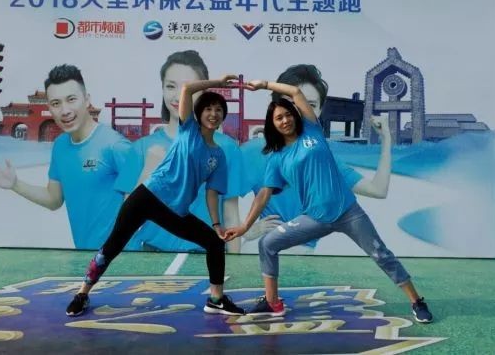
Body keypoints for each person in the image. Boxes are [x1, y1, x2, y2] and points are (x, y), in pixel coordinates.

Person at [225, 77, 434, 323]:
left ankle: (416, 300)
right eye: (278, 118)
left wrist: (264, 85)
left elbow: (295, 92)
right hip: (314, 218)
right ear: (272, 124)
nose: (285, 120)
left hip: (348, 212)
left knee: (381, 254)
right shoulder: (276, 157)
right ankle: (272, 302)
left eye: (288, 114)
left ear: (295, 115)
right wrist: (245, 226)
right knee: (267, 243)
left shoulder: (312, 130)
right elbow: (263, 195)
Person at [65, 75, 245, 317]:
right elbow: (187, 88)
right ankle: (82, 293)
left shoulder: (219, 155)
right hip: (147, 197)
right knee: (113, 245)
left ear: (223, 116)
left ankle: (216, 299)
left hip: (175, 210)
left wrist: (216, 225)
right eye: (208, 109)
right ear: (199, 113)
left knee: (214, 243)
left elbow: (212, 193)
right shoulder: (188, 130)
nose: (213, 114)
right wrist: (218, 83)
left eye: (219, 110)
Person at [0, 64, 138, 249]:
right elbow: (53, 200)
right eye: (56, 103)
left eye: (71, 99)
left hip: (123, 258)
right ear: (49, 107)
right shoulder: (61, 146)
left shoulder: (115, 145)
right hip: (85, 254)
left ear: (87, 100)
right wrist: (16, 184)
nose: (65, 110)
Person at [132, 50, 247, 253]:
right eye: (170, 86)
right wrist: (149, 169)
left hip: (203, 252)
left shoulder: (227, 148)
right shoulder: (142, 147)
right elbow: (130, 212)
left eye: (189, 87)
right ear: (162, 88)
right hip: (151, 254)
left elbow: (230, 213)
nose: (178, 95)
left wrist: (234, 260)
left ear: (203, 91)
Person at [241, 64, 333, 253]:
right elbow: (224, 204)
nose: (298, 112)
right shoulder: (253, 152)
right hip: (261, 249)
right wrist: (247, 232)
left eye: (310, 105)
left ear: (320, 110)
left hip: (305, 254)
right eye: (290, 103)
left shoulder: (322, 155)